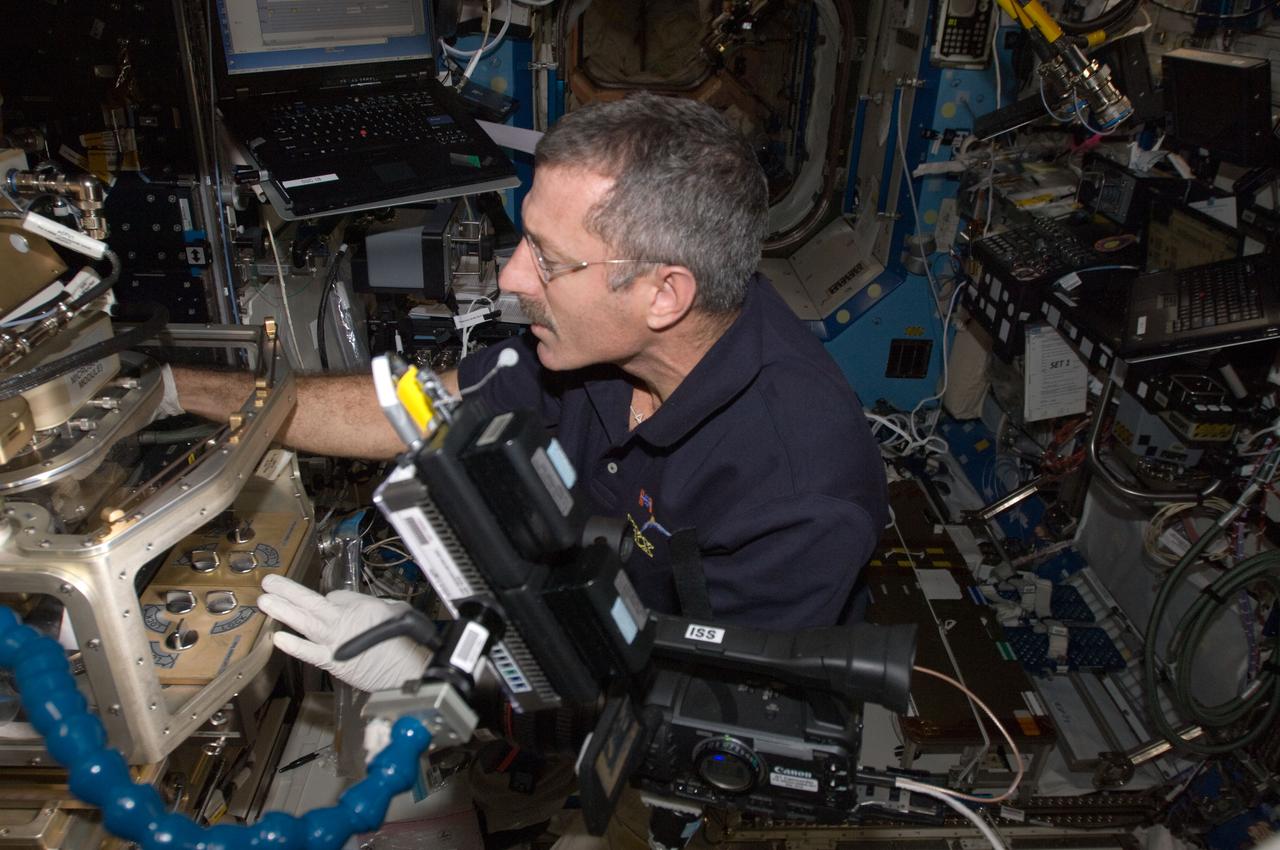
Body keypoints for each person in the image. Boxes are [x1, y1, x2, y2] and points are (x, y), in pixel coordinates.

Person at [174, 92, 887, 688]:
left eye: (547, 260)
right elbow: (414, 413)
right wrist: (181, 391)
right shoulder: (588, 355)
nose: (513, 279)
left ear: (663, 294)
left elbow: (707, 711)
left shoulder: (799, 486)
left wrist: (434, 666)